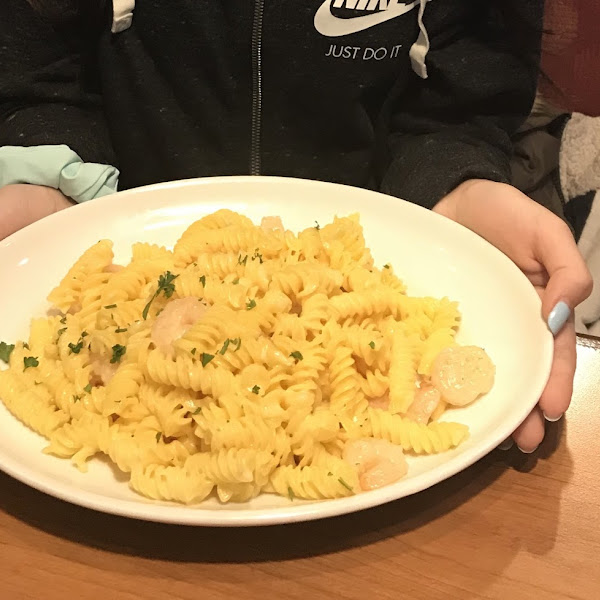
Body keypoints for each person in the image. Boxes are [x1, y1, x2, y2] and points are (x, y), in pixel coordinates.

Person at [0, 0, 592, 454]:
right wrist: (44, 171)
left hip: (357, 287)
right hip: (130, 281)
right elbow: (42, 70)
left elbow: (458, 100)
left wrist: (457, 187)